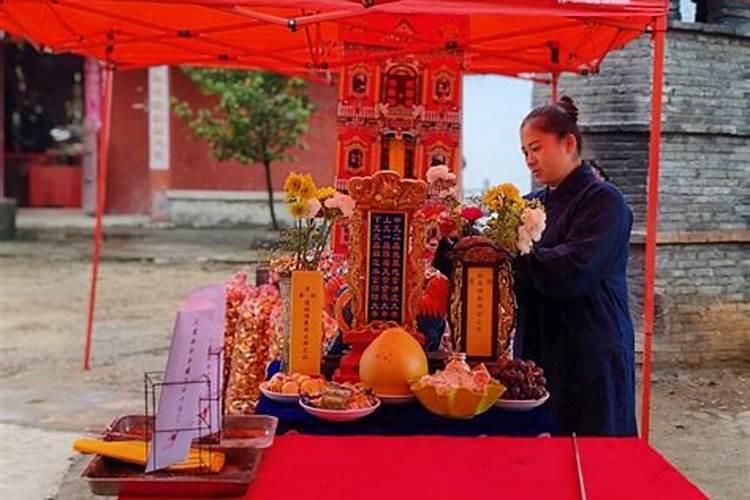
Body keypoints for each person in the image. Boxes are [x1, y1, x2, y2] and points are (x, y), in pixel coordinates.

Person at [514, 96, 637, 436]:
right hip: (539, 348)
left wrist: (508, 262)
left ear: (568, 143)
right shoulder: (529, 204)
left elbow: (574, 270)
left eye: (536, 148)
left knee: (594, 463)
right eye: (525, 152)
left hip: (589, 349)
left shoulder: (604, 201)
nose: (529, 160)